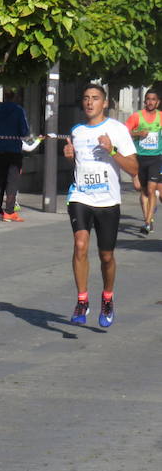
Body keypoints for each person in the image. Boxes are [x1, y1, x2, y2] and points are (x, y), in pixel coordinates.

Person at [63, 84, 137, 329]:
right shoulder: (77, 130)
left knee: (106, 256)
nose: (89, 102)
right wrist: (70, 154)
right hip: (80, 196)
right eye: (86, 98)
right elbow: (77, 163)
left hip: (108, 201)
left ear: (104, 103)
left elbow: (134, 168)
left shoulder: (117, 129)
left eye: (95, 98)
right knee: (80, 244)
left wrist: (112, 150)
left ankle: (107, 297)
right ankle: (82, 300)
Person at [0, 90, 29, 222]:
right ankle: (9, 212)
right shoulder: (18, 110)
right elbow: (24, 130)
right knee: (12, 182)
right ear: (15, 96)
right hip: (14, 150)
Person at [124, 89, 161, 235]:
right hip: (140, 158)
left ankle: (147, 222)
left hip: (156, 158)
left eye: (153, 99)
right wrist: (138, 133)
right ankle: (148, 218)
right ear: (144, 101)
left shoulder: (161, 117)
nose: (150, 102)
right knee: (142, 190)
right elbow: (124, 132)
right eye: (148, 99)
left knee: (151, 190)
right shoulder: (136, 117)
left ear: (158, 102)